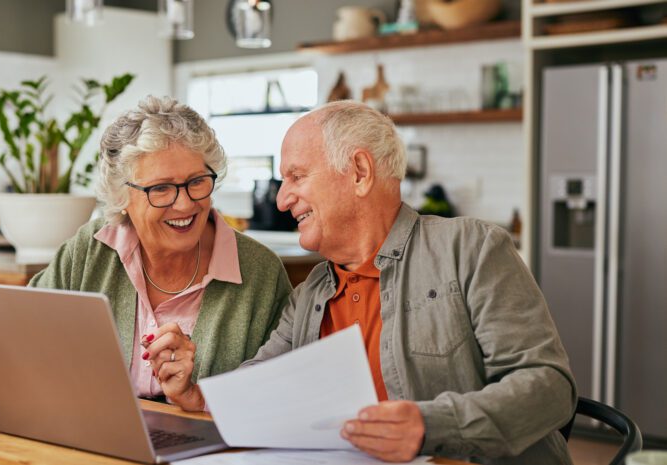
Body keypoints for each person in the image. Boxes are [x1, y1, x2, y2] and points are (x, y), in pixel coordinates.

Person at [148, 101, 576, 464]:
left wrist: (428, 425)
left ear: (358, 172)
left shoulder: (469, 249)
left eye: (296, 177)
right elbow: (260, 382)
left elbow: (548, 388)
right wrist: (196, 395)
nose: (281, 199)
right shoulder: (313, 291)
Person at [29, 96, 292, 407]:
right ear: (121, 196)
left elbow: (282, 395)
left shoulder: (260, 272)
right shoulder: (90, 249)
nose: (184, 204)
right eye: (161, 188)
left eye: (196, 182)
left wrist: (199, 398)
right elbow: (25, 337)